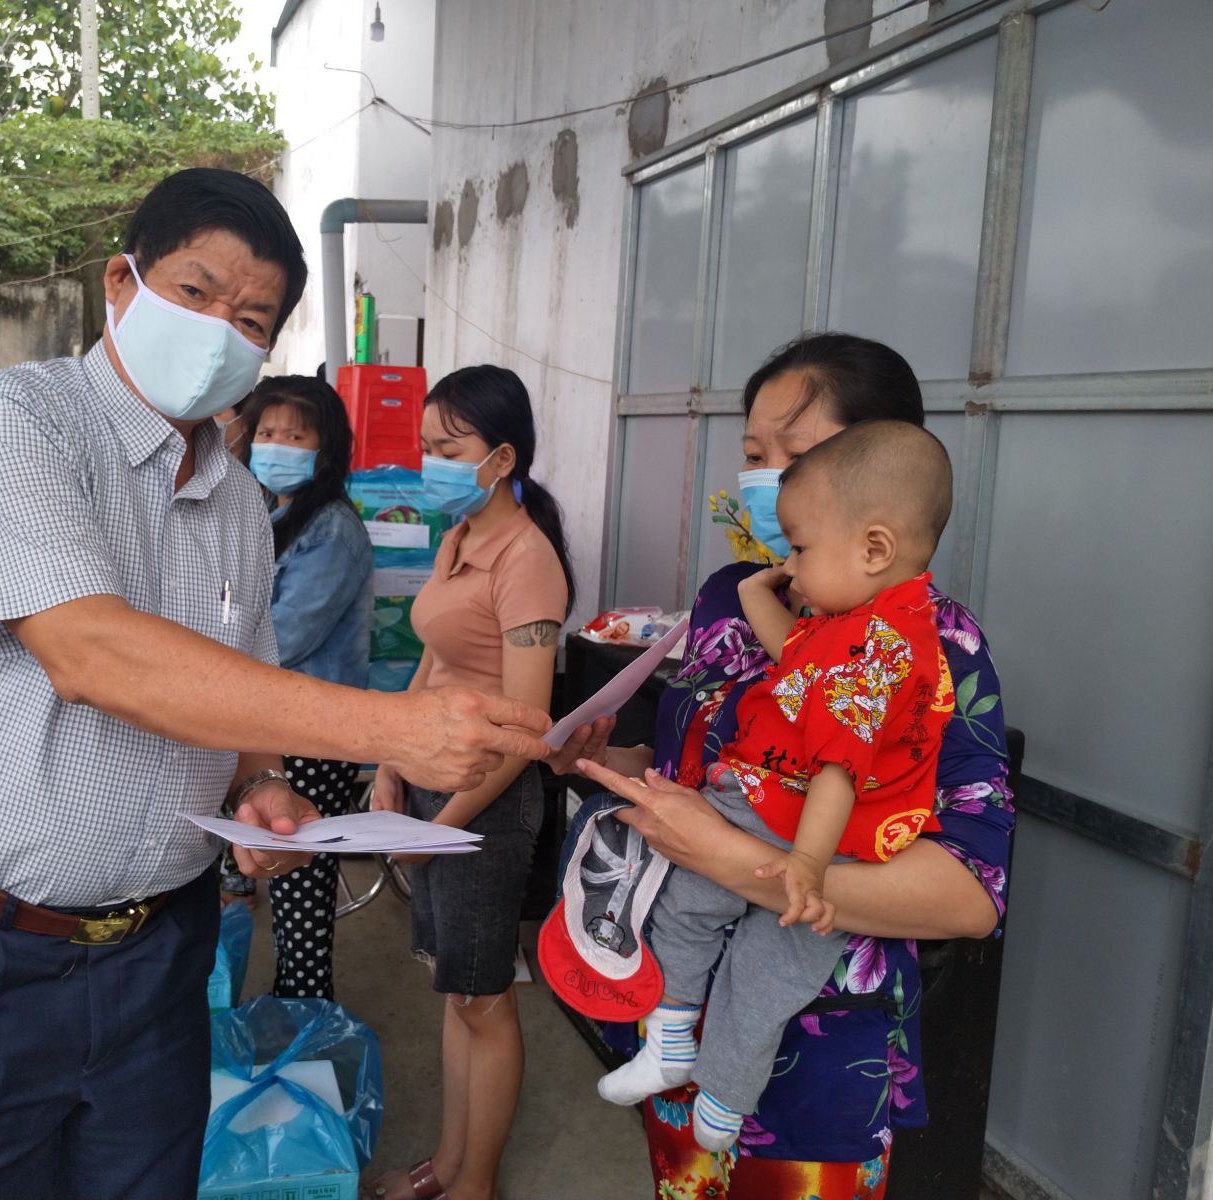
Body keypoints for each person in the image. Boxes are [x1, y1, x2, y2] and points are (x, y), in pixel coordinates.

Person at [0, 168, 553, 1200]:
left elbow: (247, 676)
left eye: (252, 319)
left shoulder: (233, 503)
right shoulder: (10, 422)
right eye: (196, 291)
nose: (220, 330)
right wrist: (391, 729)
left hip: (157, 953)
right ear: (122, 283)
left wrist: (257, 783)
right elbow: (90, 652)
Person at [551, 333, 1013, 1199]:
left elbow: (969, 894)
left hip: (819, 1051)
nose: (764, 482)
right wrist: (615, 761)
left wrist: (736, 861)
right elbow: (716, 760)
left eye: (791, 456)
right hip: (674, 1010)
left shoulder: (932, 648)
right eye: (754, 456)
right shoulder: (734, 596)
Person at [592, 421, 956, 1153]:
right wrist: (759, 589)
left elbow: (838, 771)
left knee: (688, 904)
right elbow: (792, 650)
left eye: (801, 549)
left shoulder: (876, 649)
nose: (790, 564)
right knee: (770, 973)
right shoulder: (874, 620)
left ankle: (677, 1046)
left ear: (874, 547)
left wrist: (807, 867)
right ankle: (722, 1094)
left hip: (789, 814)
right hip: (837, 836)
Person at [367, 365, 574, 1200]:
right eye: (425, 447)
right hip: (433, 789)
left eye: (448, 451)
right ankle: (448, 1165)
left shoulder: (528, 561)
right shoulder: (458, 538)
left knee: (485, 998)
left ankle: (474, 1183)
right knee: (455, 990)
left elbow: (526, 732)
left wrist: (437, 829)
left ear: (502, 457)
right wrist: (390, 758)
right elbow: (435, 658)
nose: (430, 465)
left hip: (483, 804)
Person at [246, 374, 374, 999]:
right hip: (268, 722)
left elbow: (283, 635)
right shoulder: (272, 515)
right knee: (267, 876)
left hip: (313, 733)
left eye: (294, 436)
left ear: (325, 450)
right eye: (266, 432)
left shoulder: (331, 529)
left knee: (301, 888)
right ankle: (284, 1006)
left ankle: (305, 1013)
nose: (275, 445)